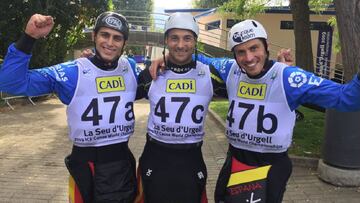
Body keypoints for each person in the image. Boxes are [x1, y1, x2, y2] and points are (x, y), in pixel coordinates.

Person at [151, 19, 360, 203]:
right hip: (235, 159)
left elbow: (347, 98)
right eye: (241, 52)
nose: (248, 58)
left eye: (254, 48)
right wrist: (167, 58)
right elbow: (197, 58)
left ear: (266, 46)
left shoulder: (288, 77)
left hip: (269, 165)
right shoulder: (230, 68)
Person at [0, 12, 140, 202]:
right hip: (86, 166)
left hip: (122, 164)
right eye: (104, 35)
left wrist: (161, 63)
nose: (110, 42)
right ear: (94, 37)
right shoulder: (72, 72)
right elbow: (10, 83)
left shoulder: (129, 67)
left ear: (124, 43)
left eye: (117, 38)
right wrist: (29, 38)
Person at [133, 12, 232, 203]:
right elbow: (117, 92)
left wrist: (276, 70)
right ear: (166, 41)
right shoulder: (151, 74)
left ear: (195, 41)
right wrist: (91, 61)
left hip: (190, 160)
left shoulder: (209, 74)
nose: (180, 45)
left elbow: (247, 77)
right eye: (174, 38)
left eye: (187, 38)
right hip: (155, 158)